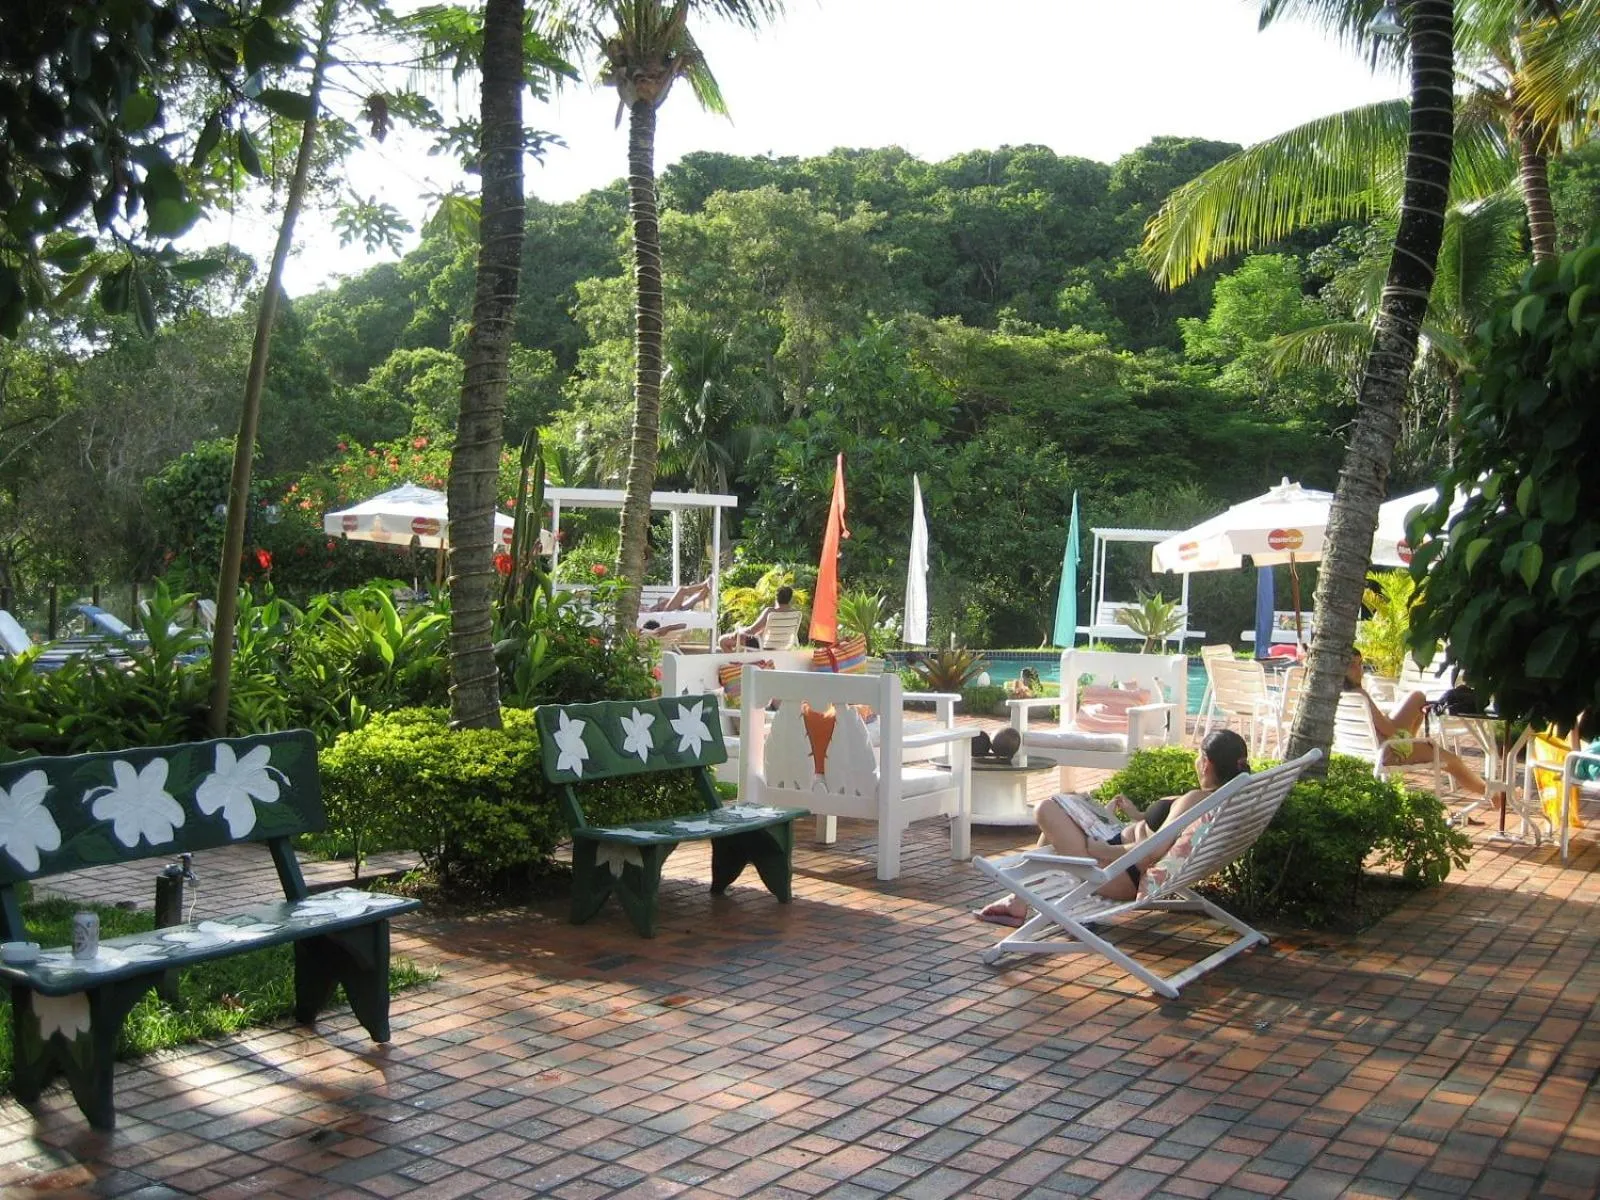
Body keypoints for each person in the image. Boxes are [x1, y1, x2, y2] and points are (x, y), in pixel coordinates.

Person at [975, 729, 1254, 925]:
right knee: (1071, 806)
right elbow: (1163, 835)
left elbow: (1152, 852)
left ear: (1206, 763)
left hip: (1115, 872)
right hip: (1120, 857)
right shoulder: (1223, 800)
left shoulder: (1197, 798)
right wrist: (1138, 816)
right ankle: (1018, 900)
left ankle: (1018, 900)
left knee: (1047, 808)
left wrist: (1101, 850)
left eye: (1198, 757)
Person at [1344, 649, 1487, 801]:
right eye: (1353, 665)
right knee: (1453, 761)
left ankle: (1413, 744)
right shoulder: (1360, 695)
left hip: (1371, 747)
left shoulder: (1338, 694)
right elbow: (1388, 730)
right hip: (1389, 751)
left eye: (1360, 664)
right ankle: (1492, 794)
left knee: (1417, 697)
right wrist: (1395, 727)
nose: (1359, 670)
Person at [719, 585, 794, 652]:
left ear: (776, 597)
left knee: (722, 640)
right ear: (790, 599)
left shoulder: (770, 612)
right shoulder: (794, 614)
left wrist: (740, 631)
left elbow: (752, 630)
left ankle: (735, 665)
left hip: (764, 645)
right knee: (744, 639)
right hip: (783, 645)